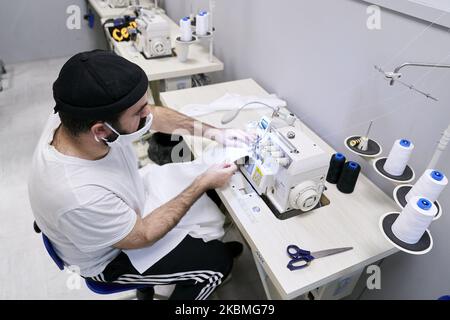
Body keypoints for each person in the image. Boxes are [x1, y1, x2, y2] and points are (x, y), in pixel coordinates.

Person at [28, 50, 253, 300]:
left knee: (201, 182)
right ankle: (209, 265)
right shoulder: (79, 195)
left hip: (126, 202)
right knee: (215, 265)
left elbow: (152, 116)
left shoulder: (75, 112)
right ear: (102, 131)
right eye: (139, 112)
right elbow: (142, 236)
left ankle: (203, 252)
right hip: (111, 256)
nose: (148, 114)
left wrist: (213, 133)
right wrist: (202, 183)